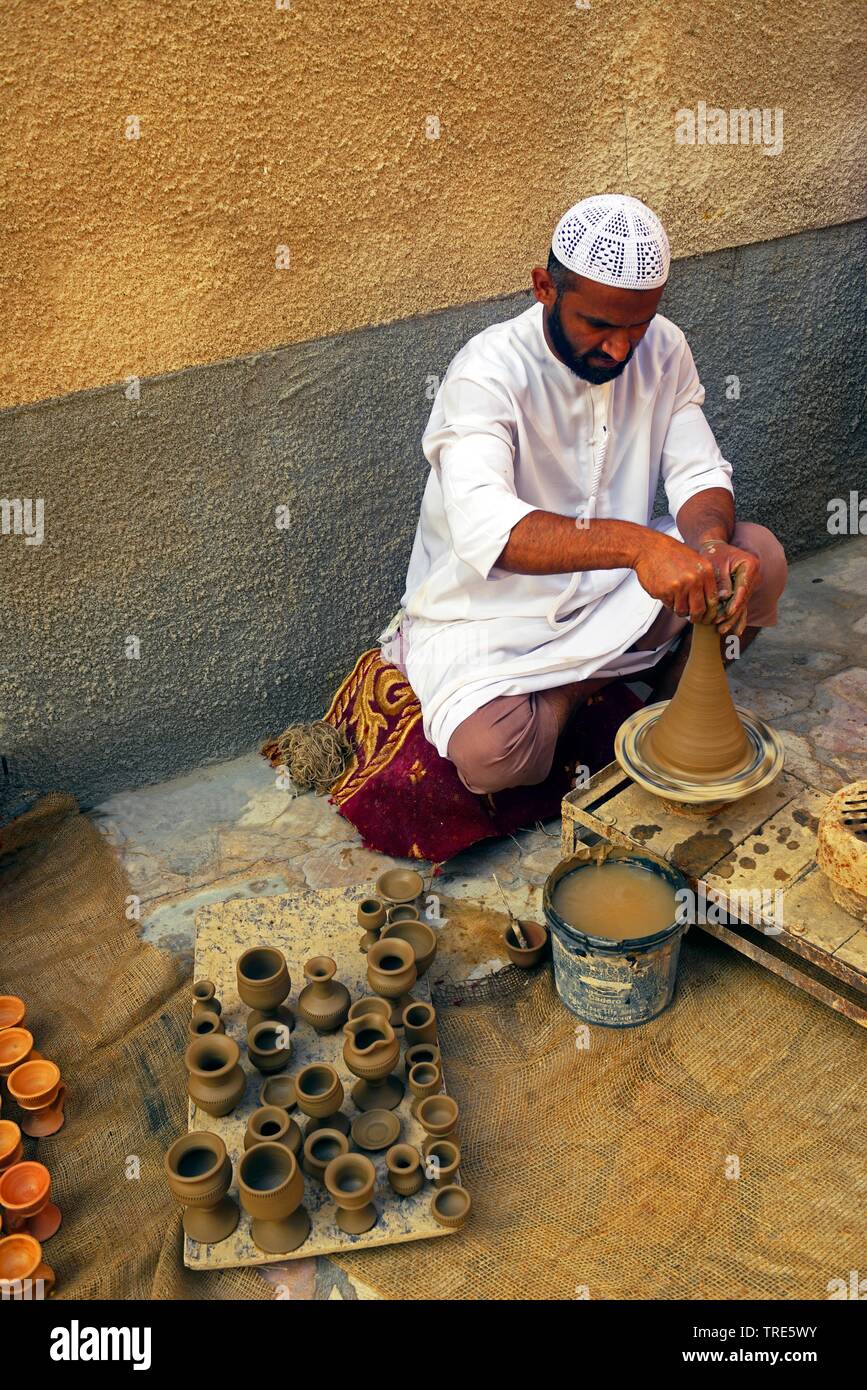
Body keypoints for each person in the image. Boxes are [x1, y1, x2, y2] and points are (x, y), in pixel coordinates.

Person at [380, 193, 787, 796]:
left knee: (759, 561)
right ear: (545, 287)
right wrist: (641, 549)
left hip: (616, 591)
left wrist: (706, 543)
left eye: (637, 327)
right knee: (495, 757)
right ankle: (581, 687)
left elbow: (697, 469)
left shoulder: (665, 347)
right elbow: (490, 530)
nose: (621, 349)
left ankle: (674, 712)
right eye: (598, 325)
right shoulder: (485, 375)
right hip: (494, 613)